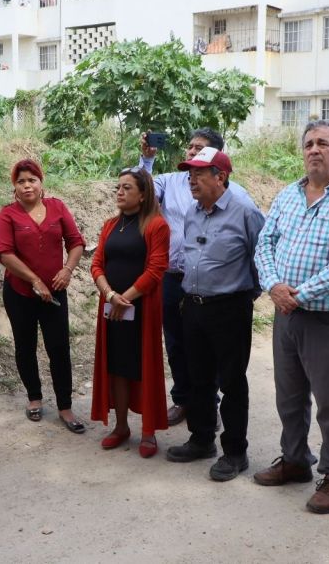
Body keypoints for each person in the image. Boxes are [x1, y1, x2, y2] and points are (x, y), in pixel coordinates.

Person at [253, 120, 329, 514]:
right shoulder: (288, 195)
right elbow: (264, 244)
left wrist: (300, 295)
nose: (314, 150)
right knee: (289, 396)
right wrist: (274, 286)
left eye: (323, 143)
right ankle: (295, 460)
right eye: (308, 144)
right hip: (286, 316)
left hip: (326, 318)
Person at [139, 128, 254, 426]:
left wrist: (246, 293)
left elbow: (259, 249)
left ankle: (214, 416)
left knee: (220, 360)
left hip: (223, 294)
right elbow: (141, 192)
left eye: (199, 149)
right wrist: (147, 161)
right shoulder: (172, 184)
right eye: (190, 147)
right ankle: (186, 404)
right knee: (180, 346)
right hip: (177, 282)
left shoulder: (240, 201)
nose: (191, 152)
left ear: (218, 167)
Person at [165, 148, 265, 483]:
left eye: (198, 173)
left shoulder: (245, 212)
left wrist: (246, 296)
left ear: (220, 177)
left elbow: (262, 257)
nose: (191, 180)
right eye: (189, 174)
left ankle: (235, 452)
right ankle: (202, 439)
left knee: (232, 381)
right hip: (193, 305)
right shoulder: (193, 212)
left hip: (230, 308)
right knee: (198, 377)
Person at [0, 159, 87, 432]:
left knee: (59, 348)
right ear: (14, 186)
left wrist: (67, 270)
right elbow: (5, 253)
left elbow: (76, 242)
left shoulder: (57, 207)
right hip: (19, 293)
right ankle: (34, 397)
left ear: (41, 182)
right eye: (21, 181)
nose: (27, 186)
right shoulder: (8, 214)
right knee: (25, 346)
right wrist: (34, 280)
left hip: (55, 293)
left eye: (32, 180)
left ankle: (65, 407)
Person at [90, 167, 170, 458]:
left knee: (143, 366)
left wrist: (126, 298)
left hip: (142, 309)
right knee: (116, 366)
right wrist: (111, 295)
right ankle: (121, 427)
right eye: (118, 187)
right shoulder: (110, 225)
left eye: (127, 188)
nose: (120, 192)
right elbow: (96, 264)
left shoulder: (157, 225)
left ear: (143, 194)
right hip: (112, 308)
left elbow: (156, 269)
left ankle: (148, 432)